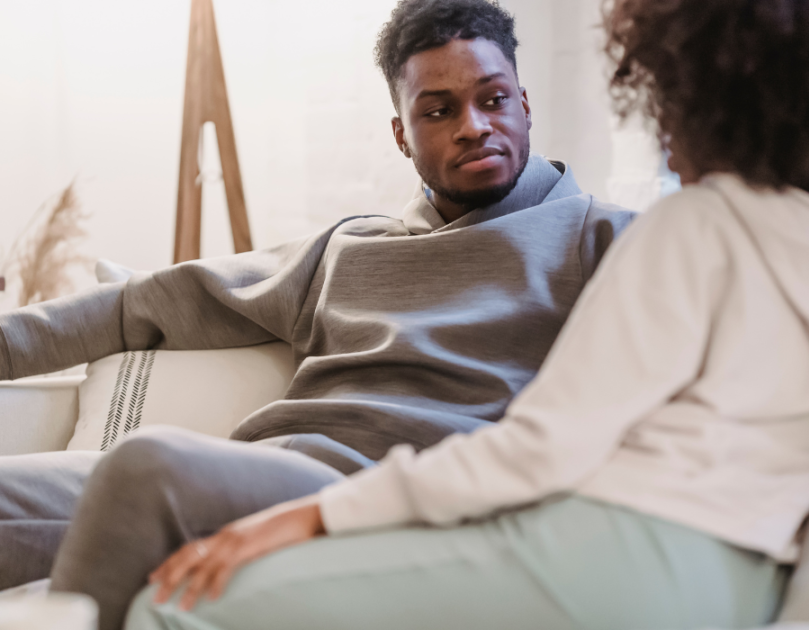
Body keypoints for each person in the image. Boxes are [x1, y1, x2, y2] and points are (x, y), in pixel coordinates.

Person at [110, 0, 809, 628]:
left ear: (709, 94)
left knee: (175, 606)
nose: (660, 119)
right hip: (740, 584)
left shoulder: (699, 225)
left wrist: (313, 518)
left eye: (663, 92)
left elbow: (540, 450)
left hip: (617, 555)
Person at [0, 0, 632, 616]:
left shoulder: (600, 239)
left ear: (525, 105)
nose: (473, 125)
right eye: (438, 110)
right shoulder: (348, 247)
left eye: (493, 99)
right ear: (401, 136)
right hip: (260, 478)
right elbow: (144, 304)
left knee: (149, 468)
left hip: (386, 506)